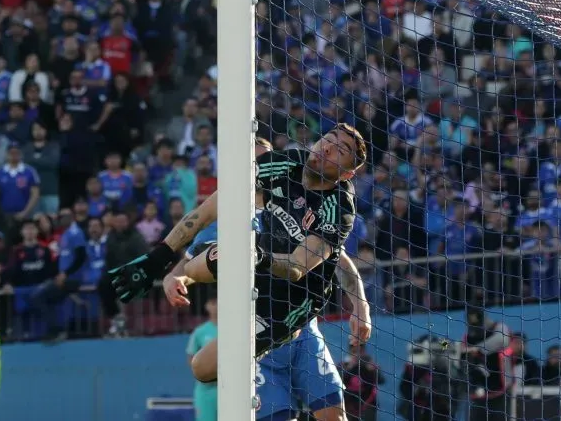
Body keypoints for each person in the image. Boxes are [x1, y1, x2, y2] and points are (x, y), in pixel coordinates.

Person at [110, 123, 368, 383]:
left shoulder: (339, 210)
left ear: (347, 174)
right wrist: (159, 259)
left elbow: (300, 267)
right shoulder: (286, 164)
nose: (328, 148)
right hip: (257, 260)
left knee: (207, 368)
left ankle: (273, 348)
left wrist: (360, 306)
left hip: (293, 297)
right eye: (328, 139)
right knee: (199, 362)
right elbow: (208, 210)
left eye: (341, 150)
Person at [162, 138, 372, 421]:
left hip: (303, 331)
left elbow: (338, 261)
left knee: (334, 417)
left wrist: (360, 306)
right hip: (259, 330)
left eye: (264, 160)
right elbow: (195, 262)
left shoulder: (300, 205)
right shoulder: (227, 218)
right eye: (254, 163)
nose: (260, 170)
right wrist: (174, 279)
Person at [187, 294, 218, 421]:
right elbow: (191, 357)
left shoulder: (235, 329)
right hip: (207, 390)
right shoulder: (200, 332)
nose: (216, 306)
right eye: (213, 302)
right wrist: (204, 375)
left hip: (231, 387)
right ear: (207, 306)